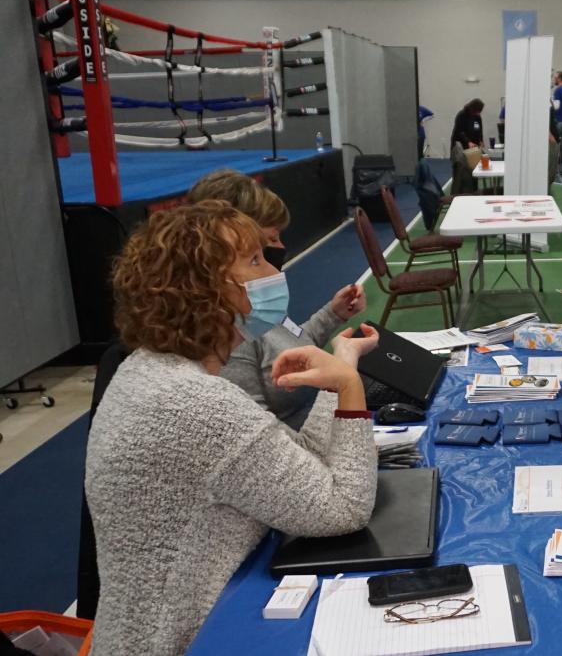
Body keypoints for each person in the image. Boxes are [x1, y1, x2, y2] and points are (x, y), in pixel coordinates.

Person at [85, 201, 379, 655]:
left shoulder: (153, 373)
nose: (272, 270)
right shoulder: (194, 404)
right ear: (206, 289)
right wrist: (350, 389)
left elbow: (302, 460)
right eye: (255, 260)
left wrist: (339, 368)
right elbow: (344, 509)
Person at [186, 169, 366, 430]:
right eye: (264, 247)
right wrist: (341, 376)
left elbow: (292, 347)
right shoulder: (224, 334)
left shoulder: (255, 305)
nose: (280, 250)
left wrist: (333, 314)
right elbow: (269, 444)